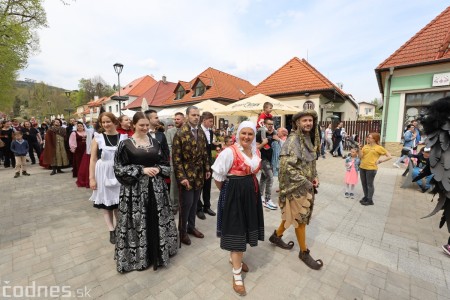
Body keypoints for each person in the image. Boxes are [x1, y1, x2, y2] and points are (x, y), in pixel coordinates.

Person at [113, 112, 178, 272]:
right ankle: (139, 257)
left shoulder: (155, 142)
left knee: (156, 219)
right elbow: (118, 168)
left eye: (147, 125)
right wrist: (142, 170)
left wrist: (157, 168)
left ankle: (159, 253)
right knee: (138, 222)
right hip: (134, 193)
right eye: (141, 125)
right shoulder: (125, 144)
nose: (145, 128)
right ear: (134, 125)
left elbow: (166, 164)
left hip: (157, 190)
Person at [212, 121, 264, 296]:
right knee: (237, 231)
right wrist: (228, 193)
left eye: (250, 134)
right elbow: (218, 177)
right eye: (244, 133)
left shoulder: (255, 150)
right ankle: (237, 276)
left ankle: (236, 260)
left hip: (251, 194)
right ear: (238, 134)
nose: (247, 137)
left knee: (245, 230)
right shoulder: (229, 152)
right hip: (234, 195)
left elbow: (254, 171)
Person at [269, 110, 323, 270]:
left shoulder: (307, 139)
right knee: (300, 220)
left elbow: (311, 163)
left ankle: (276, 236)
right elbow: (286, 168)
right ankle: (304, 252)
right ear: (297, 123)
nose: (308, 123)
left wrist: (315, 177)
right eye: (304, 120)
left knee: (290, 216)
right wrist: (306, 181)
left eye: (310, 121)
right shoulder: (292, 141)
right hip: (297, 189)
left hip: (307, 186)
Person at [172, 106, 210, 246]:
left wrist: (207, 168)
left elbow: (205, 152)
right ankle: (181, 232)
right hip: (187, 175)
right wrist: (182, 177)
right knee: (186, 204)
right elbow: (176, 159)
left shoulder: (200, 131)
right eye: (193, 115)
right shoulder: (180, 133)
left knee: (195, 203)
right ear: (187, 116)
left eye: (198, 115)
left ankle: (191, 227)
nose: (196, 117)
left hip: (199, 174)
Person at [89, 112, 127, 244]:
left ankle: (119, 227)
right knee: (106, 204)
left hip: (118, 172)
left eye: (108, 122)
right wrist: (91, 178)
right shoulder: (97, 138)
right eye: (103, 122)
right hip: (102, 173)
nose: (105, 125)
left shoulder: (123, 137)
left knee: (118, 203)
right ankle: (111, 230)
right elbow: (93, 159)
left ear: (115, 122)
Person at [358, 132, 392, 206]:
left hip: (371, 168)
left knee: (369, 184)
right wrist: (359, 149)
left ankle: (370, 200)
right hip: (362, 167)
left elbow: (389, 156)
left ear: (374, 139)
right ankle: (366, 196)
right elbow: (360, 156)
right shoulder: (365, 146)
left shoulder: (379, 148)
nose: (368, 138)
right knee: (364, 183)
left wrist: (380, 161)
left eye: (369, 137)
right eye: (368, 137)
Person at [197, 111, 217, 220]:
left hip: (208, 162)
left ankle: (207, 206)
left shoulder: (210, 132)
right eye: (210, 121)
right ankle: (198, 209)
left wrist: (215, 147)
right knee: (199, 187)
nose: (212, 123)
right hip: (199, 163)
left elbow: (208, 148)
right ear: (204, 120)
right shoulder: (197, 131)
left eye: (212, 121)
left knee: (207, 186)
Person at [256, 117, 279, 210]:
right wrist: (263, 143)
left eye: (272, 124)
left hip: (271, 160)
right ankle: (267, 199)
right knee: (270, 177)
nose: (270, 126)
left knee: (264, 177)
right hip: (262, 159)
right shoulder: (260, 133)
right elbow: (256, 148)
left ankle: (260, 196)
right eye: (268, 124)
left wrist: (277, 139)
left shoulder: (274, 133)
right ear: (264, 124)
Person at [165, 112, 184, 214]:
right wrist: (177, 156)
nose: (176, 121)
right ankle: (174, 205)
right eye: (175, 119)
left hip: (186, 163)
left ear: (183, 119)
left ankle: (184, 204)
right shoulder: (170, 131)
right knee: (174, 186)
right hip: (174, 162)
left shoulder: (187, 130)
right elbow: (169, 146)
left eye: (178, 119)